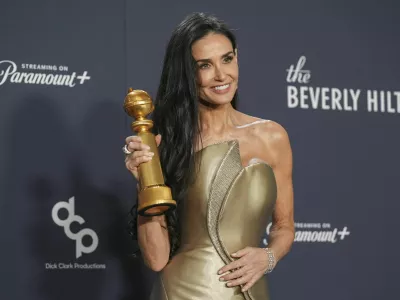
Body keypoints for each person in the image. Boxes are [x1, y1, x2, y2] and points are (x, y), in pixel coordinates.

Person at [123, 12, 294, 300]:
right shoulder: (168, 146)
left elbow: (285, 226)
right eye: (205, 65)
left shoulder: (272, 136)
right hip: (183, 291)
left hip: (251, 291)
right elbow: (156, 259)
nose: (221, 75)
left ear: (237, 57)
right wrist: (144, 183)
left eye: (227, 59)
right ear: (188, 74)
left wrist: (267, 257)